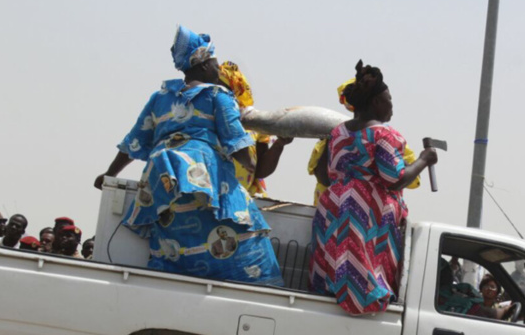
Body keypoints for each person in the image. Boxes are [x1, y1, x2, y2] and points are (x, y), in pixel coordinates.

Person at [96, 26, 282, 286]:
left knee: (174, 243)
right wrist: (252, 166)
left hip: (163, 184)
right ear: (204, 65)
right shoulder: (218, 95)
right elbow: (237, 144)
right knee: (249, 246)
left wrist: (109, 174)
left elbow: (134, 141)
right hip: (203, 180)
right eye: (215, 63)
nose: (219, 69)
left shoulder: (160, 98)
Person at [309, 60, 437, 315]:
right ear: (376, 102)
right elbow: (396, 179)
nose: (392, 106)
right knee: (364, 269)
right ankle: (363, 303)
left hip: (334, 207)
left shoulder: (337, 133)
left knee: (334, 261)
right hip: (365, 212)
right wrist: (424, 160)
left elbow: (323, 174)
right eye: (389, 100)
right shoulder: (383, 135)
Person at [308, 78, 422, 206]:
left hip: (331, 214)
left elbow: (323, 177)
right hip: (371, 217)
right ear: (376, 101)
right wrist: (423, 160)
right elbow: (408, 180)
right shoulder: (388, 138)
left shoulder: (335, 135)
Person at [217, 60, 292, 198]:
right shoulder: (203, 119)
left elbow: (260, 171)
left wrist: (279, 144)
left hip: (245, 200)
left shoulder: (254, 123)